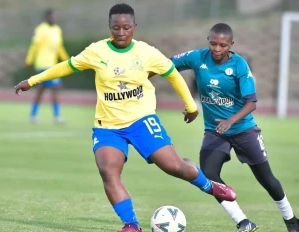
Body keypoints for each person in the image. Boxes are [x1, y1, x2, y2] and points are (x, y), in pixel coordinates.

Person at [14, 5, 236, 232]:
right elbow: (67, 66)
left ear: (134, 28)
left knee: (174, 166)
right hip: (107, 126)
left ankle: (210, 186)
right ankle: (131, 224)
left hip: (141, 121)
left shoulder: (146, 53)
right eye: (116, 28)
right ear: (109, 27)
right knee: (108, 171)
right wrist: (32, 81)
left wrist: (191, 107)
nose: (121, 32)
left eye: (126, 28)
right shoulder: (97, 51)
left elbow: (172, 74)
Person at [167, 23, 299, 232]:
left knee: (266, 179)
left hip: (244, 130)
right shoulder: (197, 57)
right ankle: (243, 222)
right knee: (210, 175)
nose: (217, 49)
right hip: (214, 131)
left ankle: (291, 220)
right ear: (208, 41)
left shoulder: (239, 65)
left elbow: (251, 103)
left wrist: (230, 121)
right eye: (213, 44)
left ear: (231, 45)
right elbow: (165, 65)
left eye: (223, 45)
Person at [25, 8, 69, 124]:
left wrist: (67, 60)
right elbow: (34, 46)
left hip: (52, 64)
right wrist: (29, 60)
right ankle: (56, 116)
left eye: (55, 16)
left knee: (41, 90)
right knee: (55, 88)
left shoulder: (57, 30)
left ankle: (33, 115)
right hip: (43, 64)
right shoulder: (41, 29)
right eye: (52, 16)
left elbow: (59, 47)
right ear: (47, 17)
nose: (54, 18)